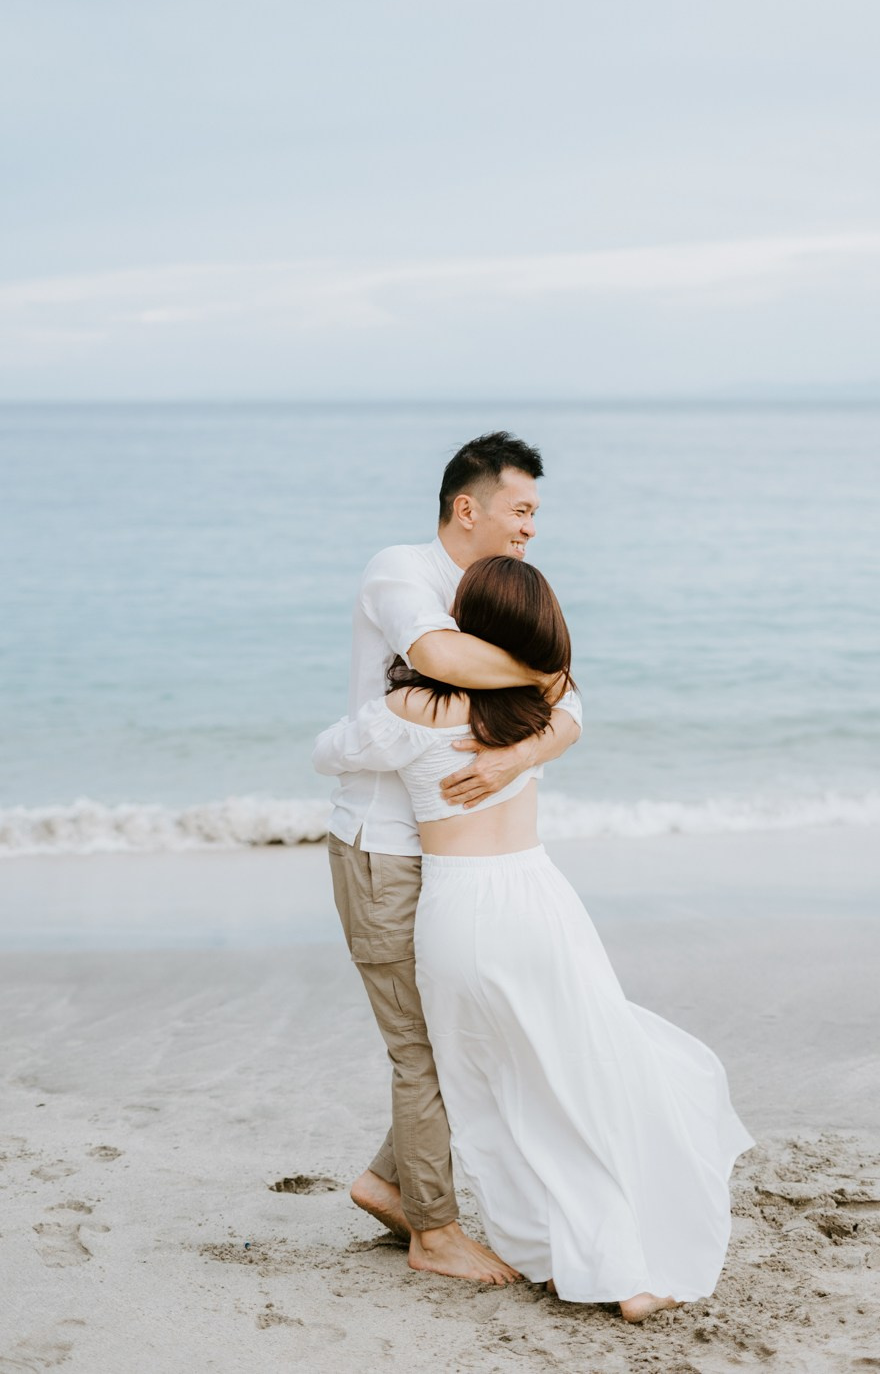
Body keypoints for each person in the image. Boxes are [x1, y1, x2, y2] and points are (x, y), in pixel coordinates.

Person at [313, 555, 754, 1322]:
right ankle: (611, 1260)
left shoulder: (417, 707)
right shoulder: (543, 703)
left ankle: (564, 1256)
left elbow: (329, 752)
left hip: (456, 914)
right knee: (571, 1076)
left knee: (491, 1092)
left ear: (467, 629)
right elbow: (574, 705)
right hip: (542, 901)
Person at [319, 432, 583, 1285]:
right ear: (468, 507)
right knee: (421, 1047)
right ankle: (432, 1229)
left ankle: (391, 1181)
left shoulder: (493, 591)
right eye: (522, 509)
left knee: (462, 1033)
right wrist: (546, 671)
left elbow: (577, 711)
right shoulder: (400, 571)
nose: (531, 529)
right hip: (385, 850)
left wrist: (519, 754)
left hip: (460, 865)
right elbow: (436, 658)